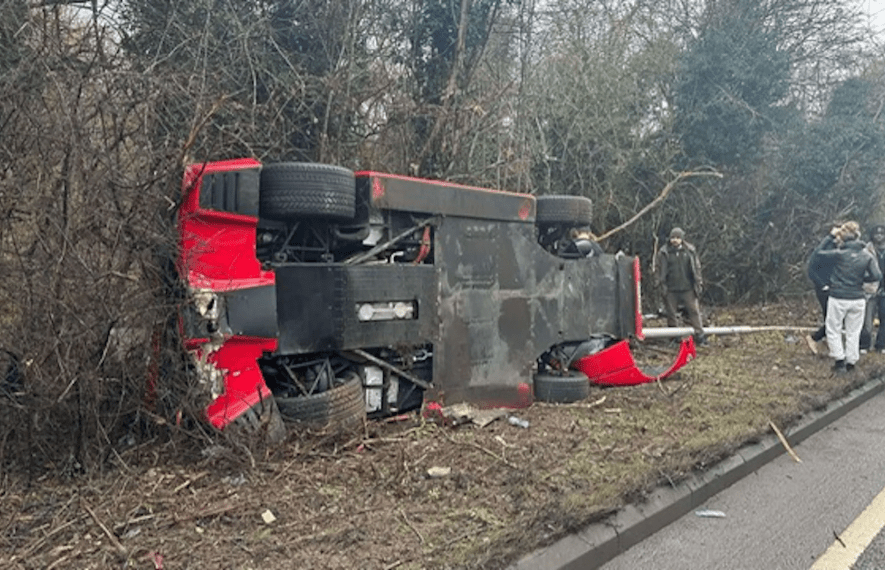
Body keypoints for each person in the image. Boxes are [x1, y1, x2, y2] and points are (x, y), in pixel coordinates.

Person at [815, 222, 882, 373]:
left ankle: (839, 361)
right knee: (854, 331)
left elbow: (818, 254)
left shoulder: (839, 254)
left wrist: (830, 237)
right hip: (857, 298)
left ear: (844, 239)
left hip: (838, 296)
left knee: (833, 329)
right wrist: (862, 280)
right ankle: (851, 362)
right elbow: (877, 275)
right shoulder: (867, 255)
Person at [656, 227, 706, 345]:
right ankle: (674, 338)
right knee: (671, 314)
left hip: (688, 288)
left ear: (682, 239)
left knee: (694, 311)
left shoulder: (690, 251)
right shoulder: (664, 252)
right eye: (673, 238)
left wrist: (698, 283)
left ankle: (700, 336)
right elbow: (658, 270)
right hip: (670, 289)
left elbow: (696, 268)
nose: (675, 240)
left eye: (677, 238)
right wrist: (660, 284)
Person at [804, 225, 841, 354]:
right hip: (824, 288)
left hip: (836, 286)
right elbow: (811, 270)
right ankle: (814, 337)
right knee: (832, 318)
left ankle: (827, 339)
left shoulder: (840, 248)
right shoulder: (824, 250)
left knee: (831, 317)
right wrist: (822, 285)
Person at [862, 225, 885, 352]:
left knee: (884, 319)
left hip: (884, 290)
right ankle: (864, 345)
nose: (879, 236)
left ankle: (881, 345)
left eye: (882, 234)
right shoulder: (867, 250)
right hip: (869, 289)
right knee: (867, 321)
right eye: (877, 234)